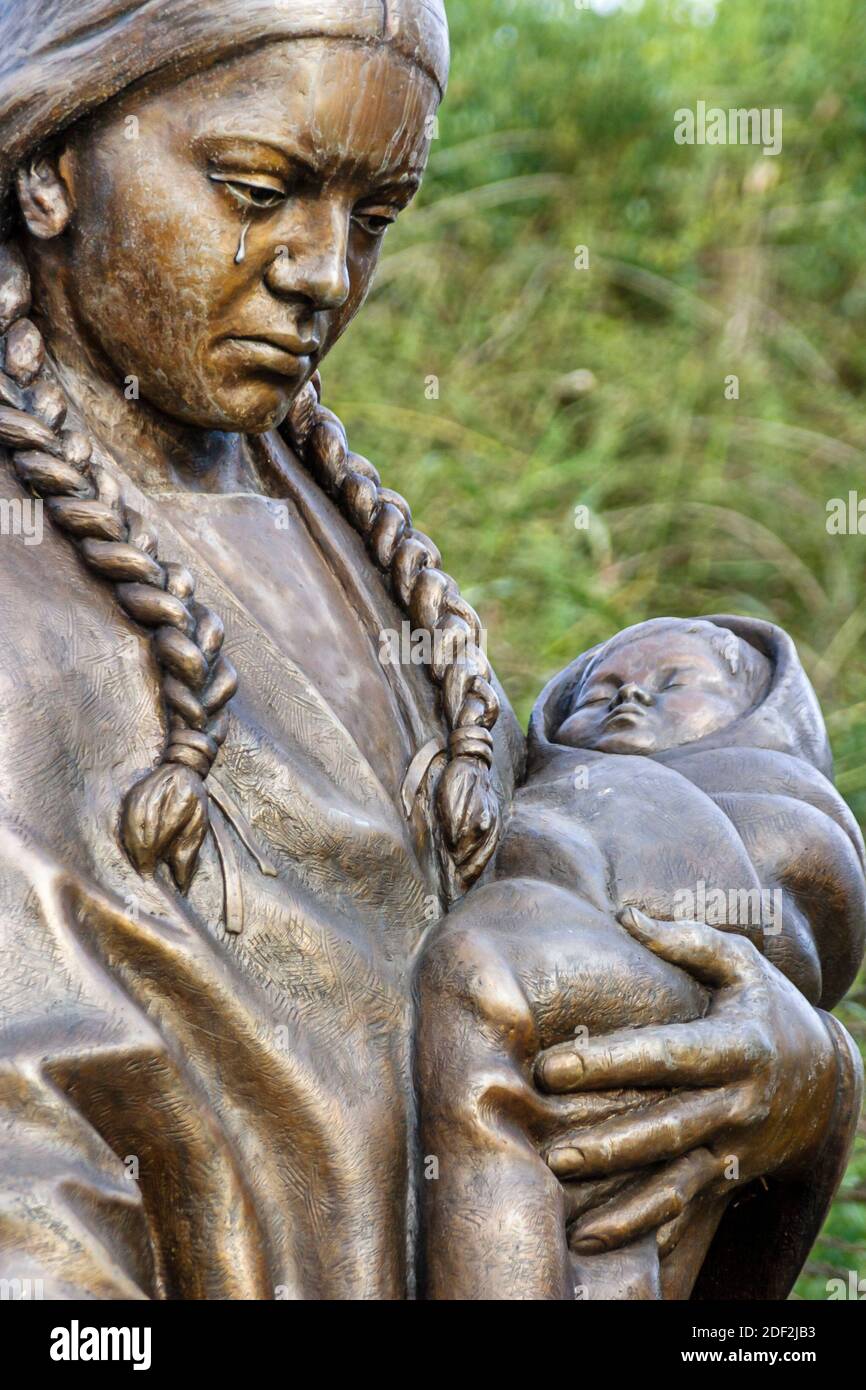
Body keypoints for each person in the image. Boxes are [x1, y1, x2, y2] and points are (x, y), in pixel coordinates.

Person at [0, 1, 860, 1299]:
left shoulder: (331, 513)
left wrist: (792, 1076)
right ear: (46, 169)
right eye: (258, 188)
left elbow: (538, 917)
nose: (322, 271)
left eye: (376, 215)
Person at [417, 616, 865, 1298]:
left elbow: (795, 926)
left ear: (760, 718)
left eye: (676, 683)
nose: (629, 699)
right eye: (601, 692)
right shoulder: (509, 791)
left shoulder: (780, 806)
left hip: (633, 985)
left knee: (486, 978)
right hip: (555, 964)